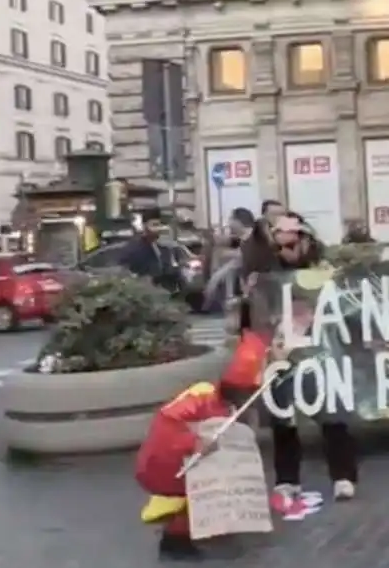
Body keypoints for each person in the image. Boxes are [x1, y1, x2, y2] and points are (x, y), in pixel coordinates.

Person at [135, 330, 266, 560]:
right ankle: (175, 541)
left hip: (187, 461)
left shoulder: (228, 406)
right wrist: (194, 442)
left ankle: (196, 530)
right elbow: (166, 424)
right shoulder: (201, 395)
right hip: (166, 462)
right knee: (191, 495)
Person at [265, 214, 360, 501]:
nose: (285, 252)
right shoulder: (268, 274)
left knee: (333, 417)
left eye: (290, 245)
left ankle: (344, 476)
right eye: (279, 246)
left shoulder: (325, 270)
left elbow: (345, 309)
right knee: (283, 419)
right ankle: (287, 478)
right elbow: (255, 314)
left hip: (321, 354)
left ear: (304, 241)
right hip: (282, 354)